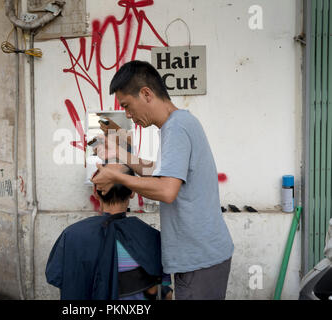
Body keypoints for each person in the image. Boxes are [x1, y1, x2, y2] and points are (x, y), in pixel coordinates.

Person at [91, 60, 234, 300]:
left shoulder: (176, 127)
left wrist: (116, 175)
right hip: (203, 256)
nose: (127, 114)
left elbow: (167, 190)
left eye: (127, 106)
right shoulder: (177, 124)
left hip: (199, 259)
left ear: (146, 93)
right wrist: (121, 155)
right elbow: (160, 173)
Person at [46, 163, 172, 300]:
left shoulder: (71, 236)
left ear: (95, 192)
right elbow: (163, 292)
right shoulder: (152, 237)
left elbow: (57, 277)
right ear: (132, 192)